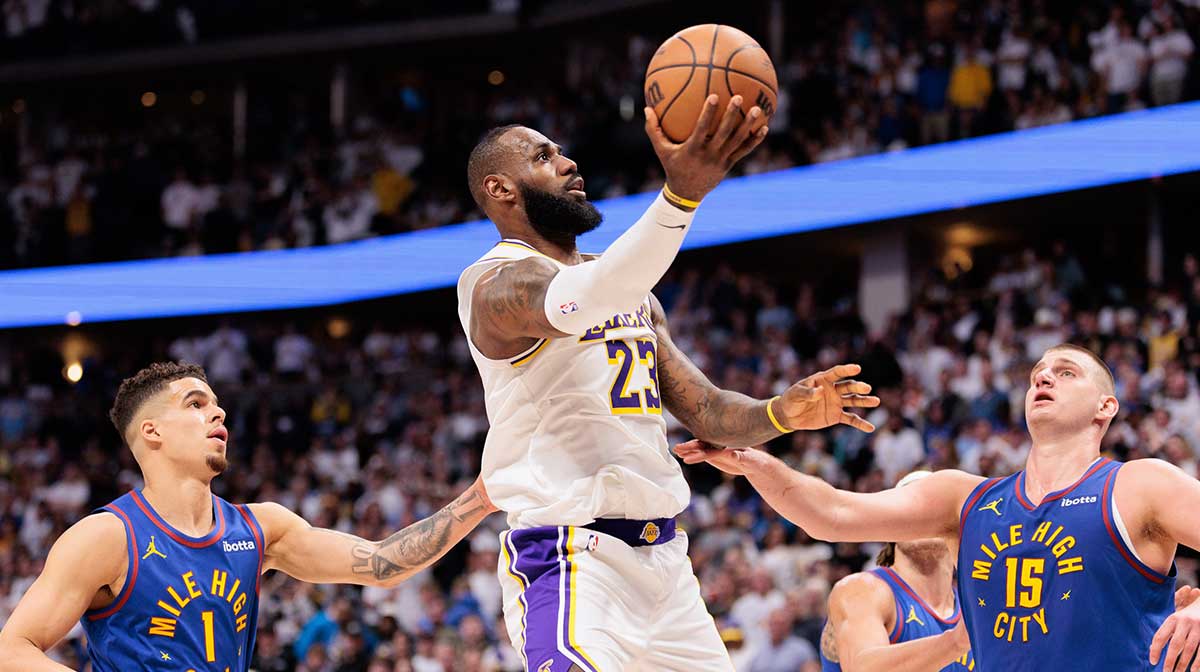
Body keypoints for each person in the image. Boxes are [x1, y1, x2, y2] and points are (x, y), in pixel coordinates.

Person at [457, 95, 879, 671]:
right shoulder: (494, 285)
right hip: (572, 560)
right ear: (501, 189)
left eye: (562, 151)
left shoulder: (632, 294)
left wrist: (782, 412)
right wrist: (680, 197)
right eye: (543, 156)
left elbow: (705, 409)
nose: (568, 162)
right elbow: (580, 300)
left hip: (667, 566)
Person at [677, 344, 1200, 671]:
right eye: (1038, 372)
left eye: (1066, 373)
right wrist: (754, 462)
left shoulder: (1139, 485)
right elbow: (832, 514)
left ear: (1105, 407)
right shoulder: (965, 497)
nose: (1043, 378)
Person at [0, 362, 497, 671]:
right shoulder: (107, 537)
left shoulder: (262, 527)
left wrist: (482, 494)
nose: (218, 414)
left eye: (217, 405)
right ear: (152, 432)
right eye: (196, 404)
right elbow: (13, 650)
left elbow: (385, 563)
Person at [818, 471, 973, 672]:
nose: (922, 517)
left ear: (956, 527)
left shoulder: (972, 606)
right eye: (911, 509)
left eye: (933, 508)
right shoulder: (862, 590)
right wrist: (956, 642)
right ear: (892, 526)